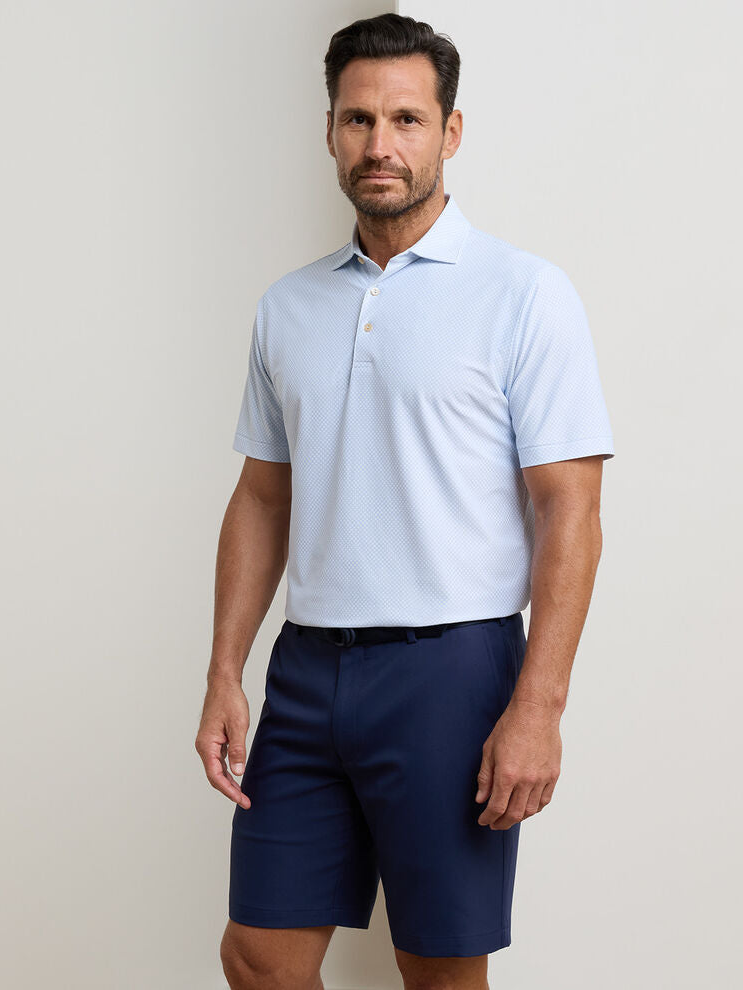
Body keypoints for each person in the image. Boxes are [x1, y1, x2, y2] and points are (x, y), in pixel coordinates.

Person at [194, 12, 614, 990]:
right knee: (257, 957)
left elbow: (571, 512)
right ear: (329, 132)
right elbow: (261, 499)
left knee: (437, 974)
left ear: (449, 132)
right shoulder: (287, 306)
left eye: (406, 119)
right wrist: (224, 670)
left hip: (452, 674)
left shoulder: (523, 293)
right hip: (307, 672)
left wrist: (538, 706)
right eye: (358, 120)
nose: (379, 144)